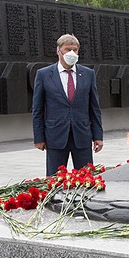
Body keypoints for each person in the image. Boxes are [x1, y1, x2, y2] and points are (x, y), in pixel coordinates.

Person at [32, 34, 104, 176]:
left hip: (82, 135)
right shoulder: (44, 74)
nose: (72, 53)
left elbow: (94, 107)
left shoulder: (88, 74)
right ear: (58, 51)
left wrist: (98, 136)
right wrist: (39, 137)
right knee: (55, 180)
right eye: (67, 49)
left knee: (86, 179)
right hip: (55, 136)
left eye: (75, 50)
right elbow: (37, 109)